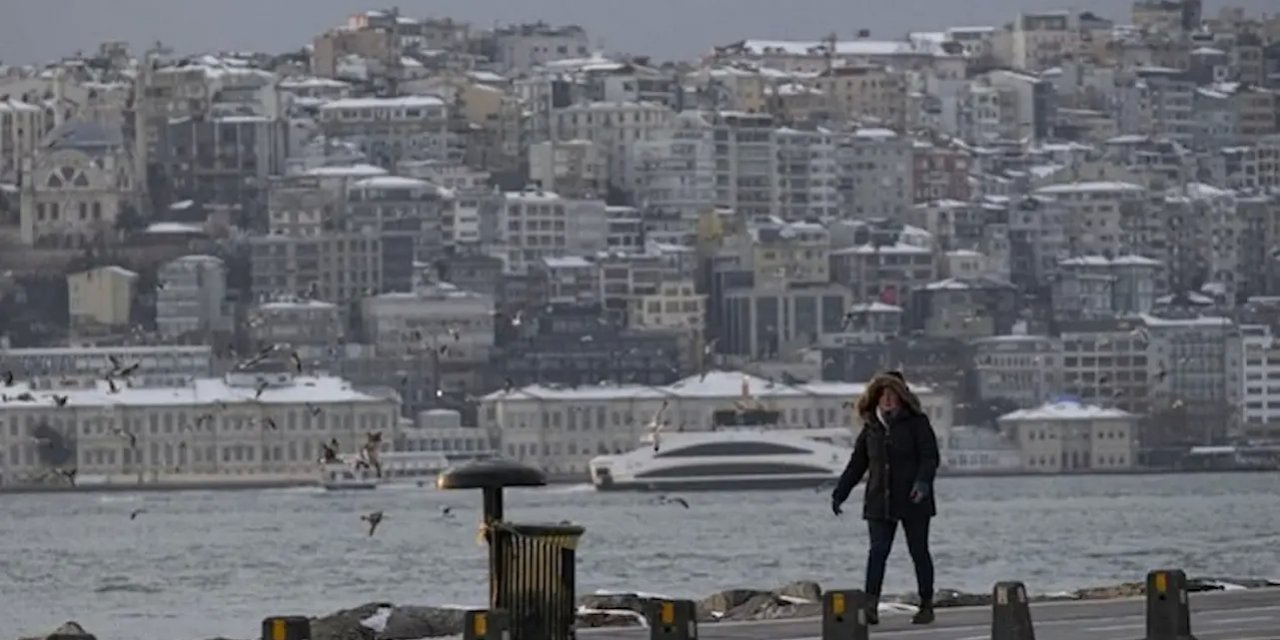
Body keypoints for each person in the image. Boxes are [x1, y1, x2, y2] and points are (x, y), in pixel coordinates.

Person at [831, 370, 940, 625]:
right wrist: (841, 493)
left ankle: (926, 603)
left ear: (902, 398)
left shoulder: (917, 423)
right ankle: (870, 606)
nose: (888, 400)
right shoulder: (871, 429)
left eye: (892, 395)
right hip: (880, 500)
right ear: (876, 399)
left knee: (919, 551)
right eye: (883, 396)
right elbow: (857, 464)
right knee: (878, 551)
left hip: (914, 500)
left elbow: (930, 457)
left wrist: (922, 483)